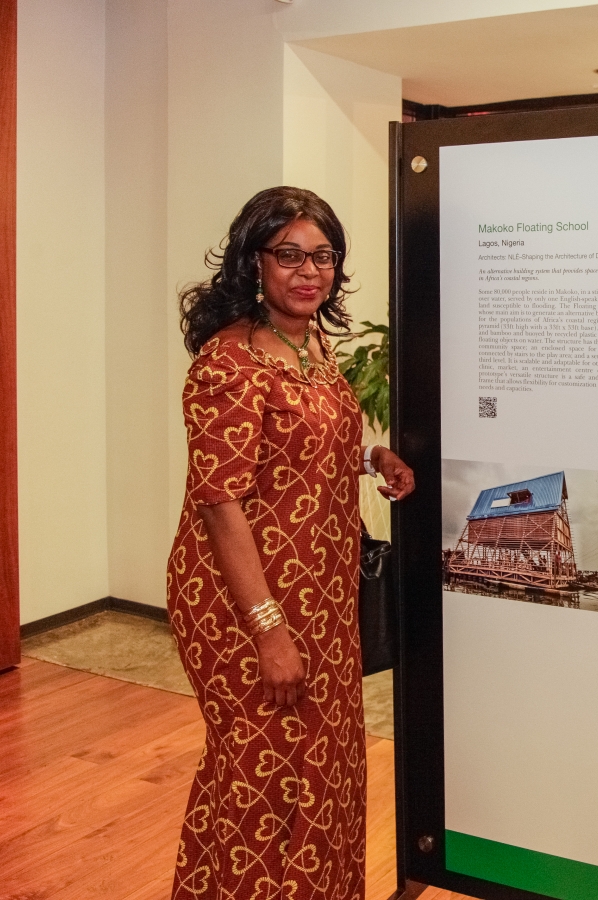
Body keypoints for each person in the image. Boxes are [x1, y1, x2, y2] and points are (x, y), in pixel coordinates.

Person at [168, 187, 416, 900]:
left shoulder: (309, 342)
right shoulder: (228, 364)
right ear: (254, 263)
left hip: (325, 593)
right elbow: (220, 501)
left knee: (324, 765)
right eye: (290, 256)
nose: (309, 272)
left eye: (323, 256)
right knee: (255, 771)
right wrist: (268, 631)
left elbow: (304, 447)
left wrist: (375, 460)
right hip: (245, 602)